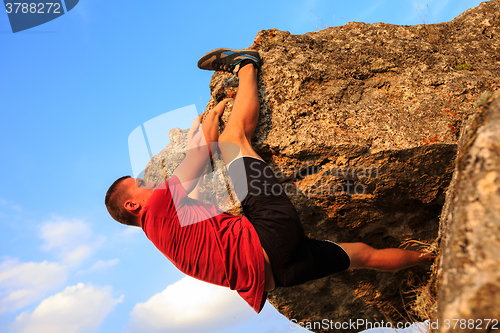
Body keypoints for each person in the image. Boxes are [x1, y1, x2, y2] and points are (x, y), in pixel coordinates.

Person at [105, 48, 433, 313]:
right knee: (234, 137)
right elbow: (202, 155)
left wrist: (195, 138)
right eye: (140, 185)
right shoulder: (158, 209)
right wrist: (211, 118)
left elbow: (200, 178)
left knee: (363, 256)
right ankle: (247, 64)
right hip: (269, 235)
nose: (149, 184)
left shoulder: (163, 234)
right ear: (133, 205)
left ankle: (431, 257)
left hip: (281, 276)